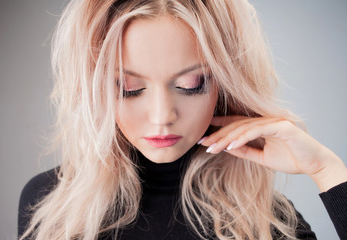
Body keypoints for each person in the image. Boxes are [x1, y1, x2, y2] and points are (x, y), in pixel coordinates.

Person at [18, 0, 347, 239]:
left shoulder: (265, 223)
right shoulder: (51, 204)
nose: (162, 116)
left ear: (224, 85)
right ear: (96, 89)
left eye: (191, 85)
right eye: (129, 88)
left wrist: (327, 170)